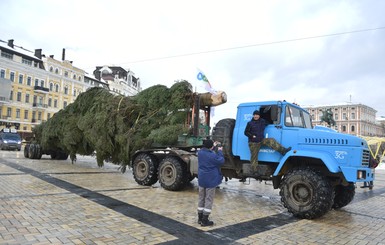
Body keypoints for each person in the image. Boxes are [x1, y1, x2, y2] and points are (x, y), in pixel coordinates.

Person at [197, 139, 225, 227]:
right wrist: (220, 151)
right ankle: (205, 221)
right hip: (210, 180)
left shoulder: (200, 153)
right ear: (211, 147)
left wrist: (213, 146)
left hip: (202, 179)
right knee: (208, 199)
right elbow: (221, 161)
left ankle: (200, 218)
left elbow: (208, 153)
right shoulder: (212, 155)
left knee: (201, 198)